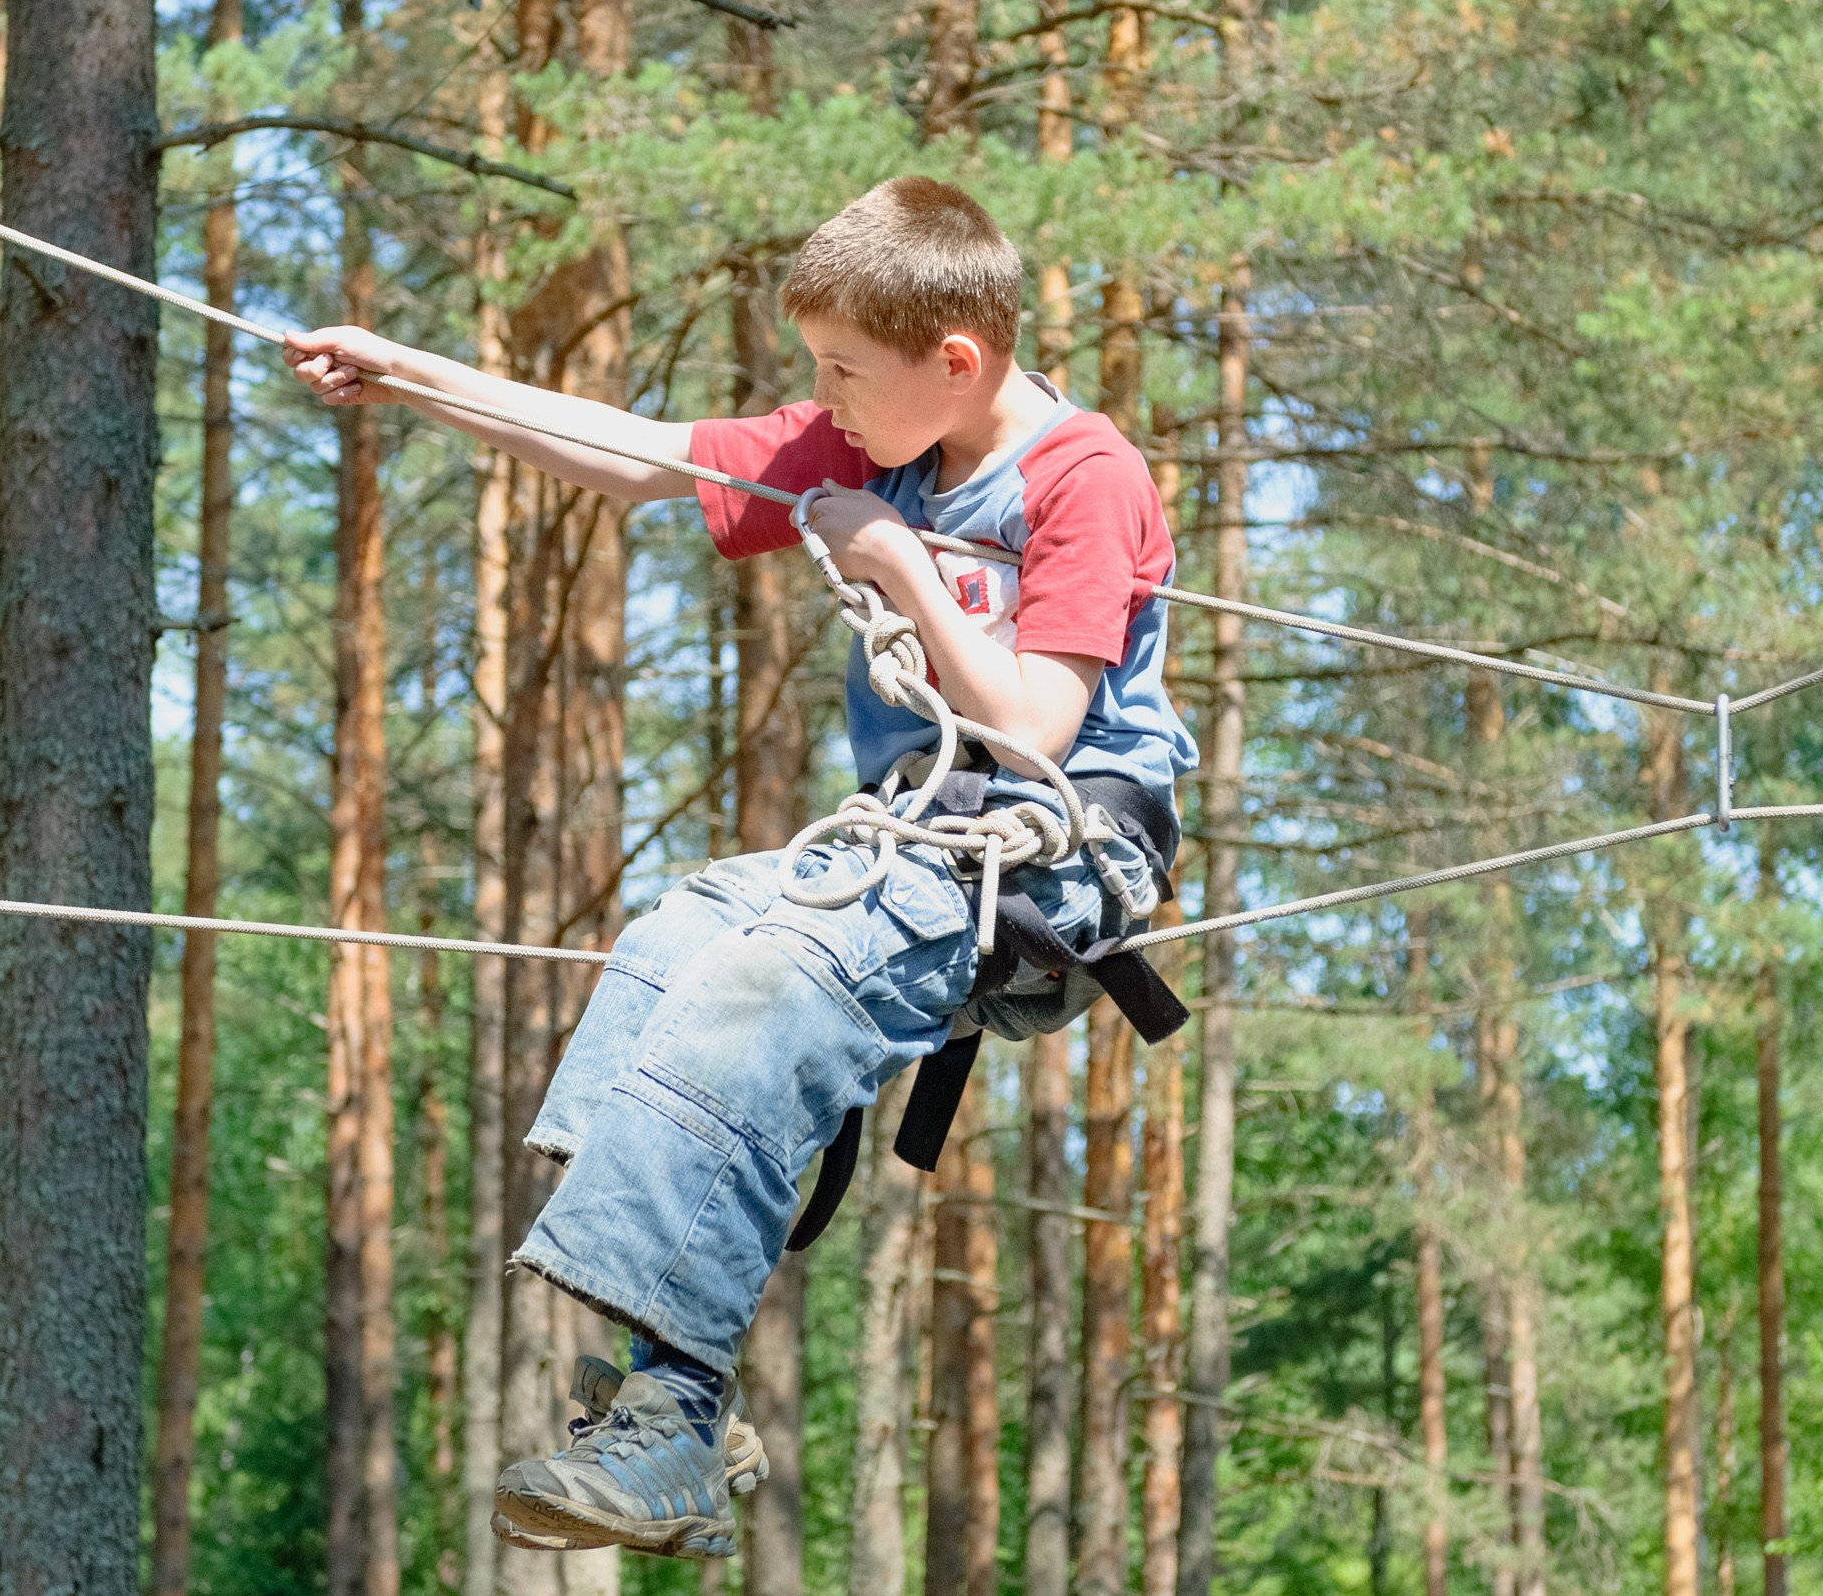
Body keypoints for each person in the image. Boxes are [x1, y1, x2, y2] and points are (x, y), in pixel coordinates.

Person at [283, 175, 1198, 1560]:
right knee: (672, 938)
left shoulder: (1083, 475)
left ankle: (679, 1405)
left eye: (844, 372)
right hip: (904, 835)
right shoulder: (873, 436)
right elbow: (649, 453)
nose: (822, 399)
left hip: (1054, 849)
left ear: (956, 361)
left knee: (773, 974)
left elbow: (1033, 728)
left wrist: (891, 556)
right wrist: (408, 374)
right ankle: (671, 1381)